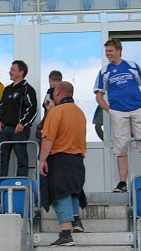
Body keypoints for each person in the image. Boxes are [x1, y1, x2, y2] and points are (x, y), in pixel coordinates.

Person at [94, 39, 141, 192]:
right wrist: (110, 110)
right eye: (106, 51)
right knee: (121, 147)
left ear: (119, 50)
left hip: (138, 109)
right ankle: (122, 183)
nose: (108, 54)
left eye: (110, 51)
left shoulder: (132, 66)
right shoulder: (104, 71)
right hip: (118, 112)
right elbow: (98, 95)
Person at [39, 81, 87, 246]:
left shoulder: (56, 112)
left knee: (61, 193)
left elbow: (48, 138)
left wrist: (42, 160)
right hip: (77, 159)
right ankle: (76, 221)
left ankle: (66, 234)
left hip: (60, 158)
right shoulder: (80, 113)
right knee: (73, 190)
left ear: (58, 93)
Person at [0, 60, 37, 177]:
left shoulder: (27, 89)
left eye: (13, 70)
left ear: (21, 72)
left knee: (21, 158)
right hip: (5, 129)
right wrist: (0, 121)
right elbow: (1, 106)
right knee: (2, 159)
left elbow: (33, 108)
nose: (10, 72)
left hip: (18, 129)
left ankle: (21, 184)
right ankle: (1, 185)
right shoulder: (7, 89)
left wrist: (23, 123)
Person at [36, 70, 62, 139]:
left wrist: (41, 125)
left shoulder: (51, 91)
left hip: (51, 124)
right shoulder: (65, 93)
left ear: (50, 80)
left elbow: (48, 109)